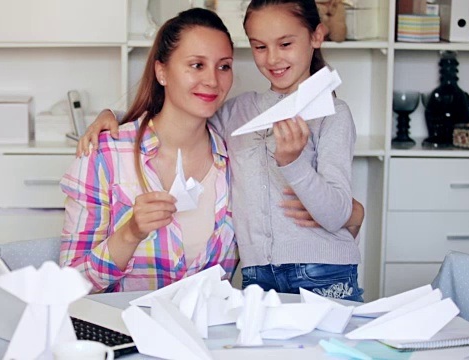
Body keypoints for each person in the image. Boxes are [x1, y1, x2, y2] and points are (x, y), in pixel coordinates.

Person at [76, 0, 365, 301]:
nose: (273, 58)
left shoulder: (334, 114)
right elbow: (182, 114)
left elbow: (336, 214)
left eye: (286, 43)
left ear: (316, 36)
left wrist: (294, 164)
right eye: (259, 47)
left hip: (324, 271)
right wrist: (116, 116)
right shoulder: (239, 112)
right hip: (257, 276)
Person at [59, 8, 238, 293]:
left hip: (207, 335)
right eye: (196, 65)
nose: (213, 81)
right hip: (122, 333)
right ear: (162, 71)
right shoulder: (105, 156)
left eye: (224, 66)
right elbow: (69, 285)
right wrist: (130, 233)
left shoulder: (235, 161)